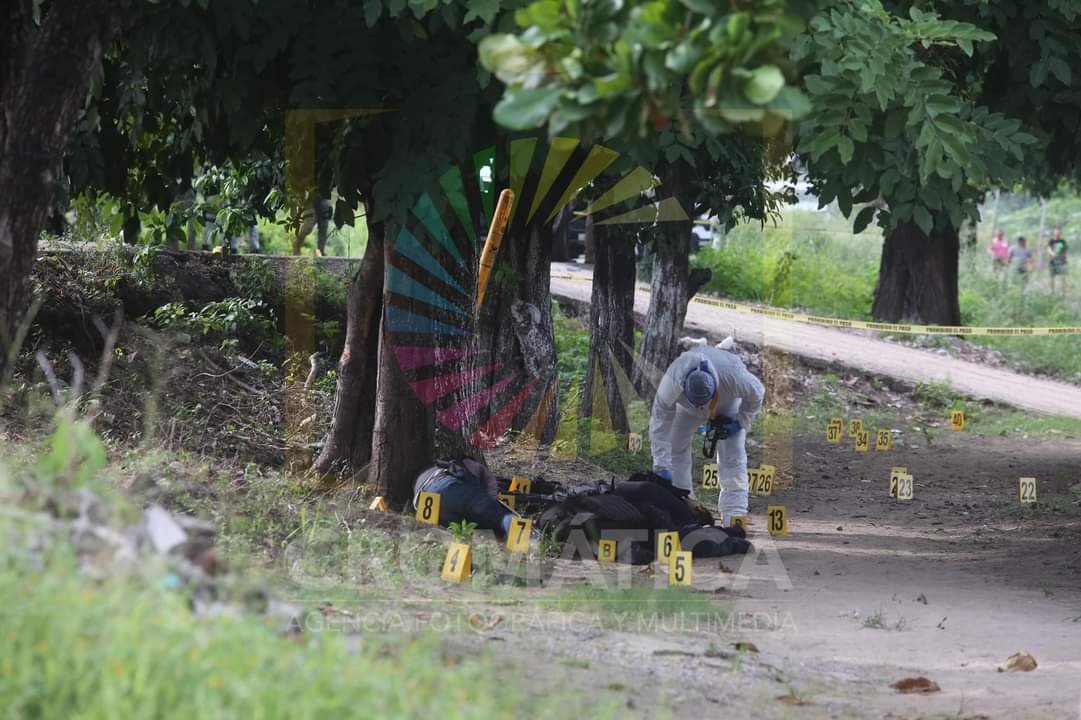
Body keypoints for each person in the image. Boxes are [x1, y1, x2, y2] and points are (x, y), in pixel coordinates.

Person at [649, 345, 764, 526]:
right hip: (685, 409)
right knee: (675, 448)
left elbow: (758, 393)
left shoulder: (734, 377)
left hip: (726, 405)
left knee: (733, 456)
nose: (701, 407)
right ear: (684, 387)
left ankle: (734, 515)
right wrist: (661, 464)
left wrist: (740, 422)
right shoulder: (672, 381)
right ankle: (685, 510)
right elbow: (660, 422)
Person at [1048, 227, 1068, 294]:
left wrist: (1064, 256)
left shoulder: (1063, 241)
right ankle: (1052, 292)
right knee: (1052, 278)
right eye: (1056, 231)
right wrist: (1052, 254)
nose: (1057, 233)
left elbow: (1066, 250)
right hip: (1053, 261)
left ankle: (1063, 293)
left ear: (1060, 233)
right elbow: (1049, 249)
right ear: (1054, 232)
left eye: (1059, 232)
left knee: (1063, 278)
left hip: (1062, 262)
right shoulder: (1051, 241)